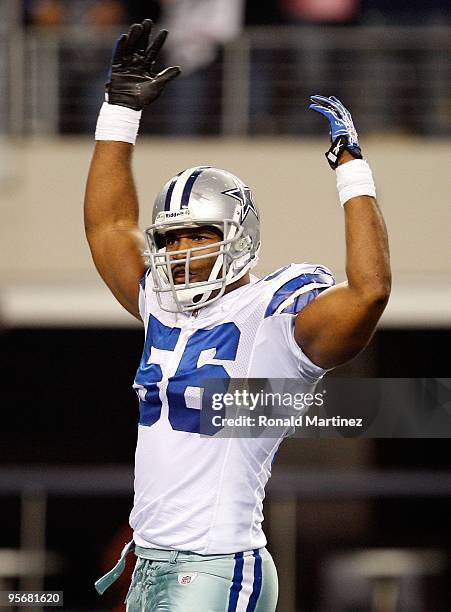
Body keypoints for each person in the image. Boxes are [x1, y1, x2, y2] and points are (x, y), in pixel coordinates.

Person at [85, 19, 390, 612]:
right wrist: (119, 111)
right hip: (148, 558)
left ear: (237, 237)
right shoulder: (159, 302)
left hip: (218, 565)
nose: (181, 252)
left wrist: (353, 172)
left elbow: (369, 293)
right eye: (170, 239)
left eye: (198, 235)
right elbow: (107, 226)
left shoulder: (274, 315)